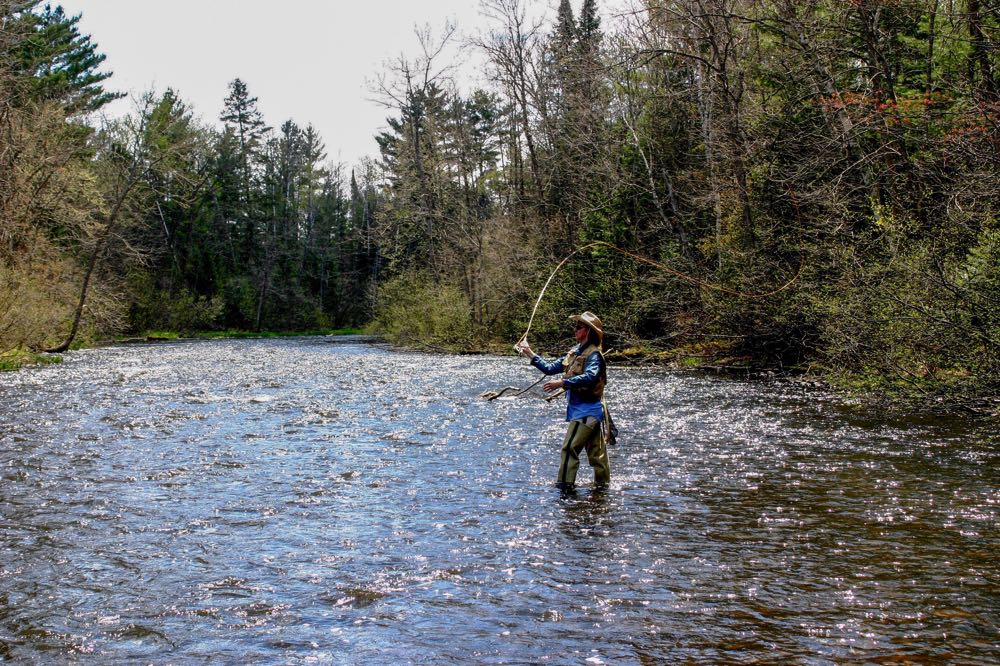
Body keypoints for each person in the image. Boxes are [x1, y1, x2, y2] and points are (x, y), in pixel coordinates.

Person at [516, 311, 611, 488]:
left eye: (579, 327)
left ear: (588, 331)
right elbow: (550, 368)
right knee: (597, 455)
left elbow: (590, 377)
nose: (575, 330)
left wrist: (562, 382)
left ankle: (565, 488)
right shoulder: (574, 353)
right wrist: (529, 352)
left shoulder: (594, 355)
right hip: (583, 411)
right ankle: (603, 490)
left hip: (587, 411)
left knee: (569, 449)